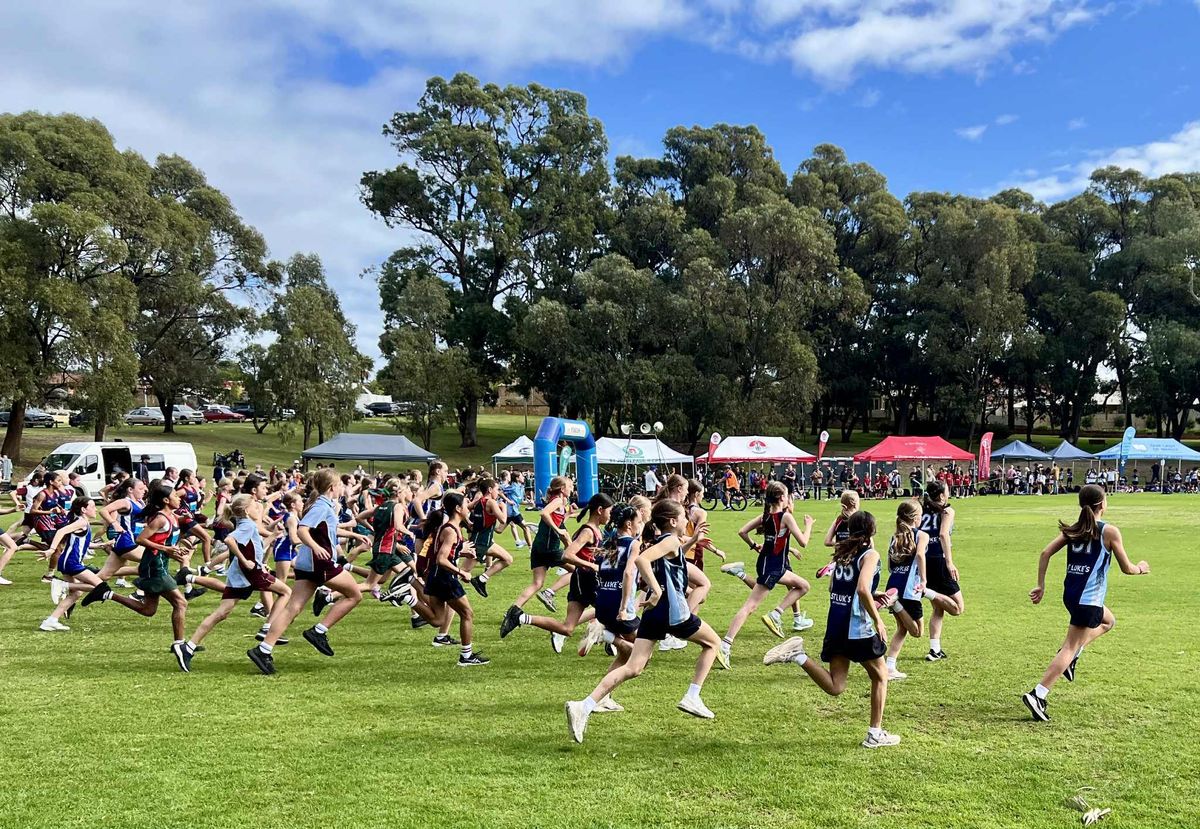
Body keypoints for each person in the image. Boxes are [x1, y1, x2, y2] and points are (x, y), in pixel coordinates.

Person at [564, 499, 725, 743]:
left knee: (634, 667)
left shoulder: (663, 541)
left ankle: (583, 706)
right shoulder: (668, 541)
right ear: (673, 521)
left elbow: (672, 559)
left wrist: (693, 540)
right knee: (713, 643)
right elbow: (641, 561)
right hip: (673, 612)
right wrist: (657, 591)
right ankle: (692, 696)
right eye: (683, 517)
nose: (687, 520)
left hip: (653, 613)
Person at [761, 510, 901, 749]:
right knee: (880, 676)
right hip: (857, 627)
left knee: (836, 686)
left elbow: (836, 588)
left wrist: (871, 593)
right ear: (871, 530)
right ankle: (875, 734)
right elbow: (861, 589)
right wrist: (877, 618)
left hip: (836, 622)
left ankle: (798, 655)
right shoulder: (870, 554)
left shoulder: (843, 553)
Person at [1022, 484, 1150, 722]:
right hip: (1088, 599)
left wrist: (1041, 585)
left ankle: (1072, 655)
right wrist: (1141, 568)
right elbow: (1127, 568)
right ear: (1102, 504)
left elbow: (1045, 553)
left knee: (1108, 621)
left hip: (1072, 595)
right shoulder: (1109, 531)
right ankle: (1038, 694)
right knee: (1069, 647)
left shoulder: (1074, 529)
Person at [247, 469, 362, 675]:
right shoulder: (321, 506)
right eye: (340, 485)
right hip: (319, 563)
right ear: (332, 487)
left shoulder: (323, 505)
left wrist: (354, 535)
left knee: (293, 607)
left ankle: (263, 649)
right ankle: (319, 631)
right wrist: (316, 547)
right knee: (355, 595)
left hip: (306, 564)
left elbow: (328, 529)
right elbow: (302, 530)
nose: (342, 488)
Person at [174, 494, 293, 672]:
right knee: (285, 592)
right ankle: (267, 627)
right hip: (251, 573)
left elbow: (256, 546)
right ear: (246, 511)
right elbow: (229, 540)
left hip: (241, 575)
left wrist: (273, 536)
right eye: (255, 506)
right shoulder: (247, 525)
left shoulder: (246, 524)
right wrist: (245, 561)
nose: (258, 509)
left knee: (221, 613)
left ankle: (188, 647)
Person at [81, 482, 191, 662]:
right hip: (154, 565)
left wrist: (176, 549)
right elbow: (141, 539)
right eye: (175, 496)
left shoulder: (172, 517)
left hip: (160, 563)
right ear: (165, 500)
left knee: (148, 610)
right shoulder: (160, 518)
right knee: (181, 603)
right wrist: (166, 549)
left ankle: (107, 594)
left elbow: (164, 540)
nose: (179, 499)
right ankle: (179, 644)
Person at [717, 482, 814, 667]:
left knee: (803, 586)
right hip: (774, 566)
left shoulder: (765, 516)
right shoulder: (785, 517)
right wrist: (808, 526)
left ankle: (776, 614)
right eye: (787, 494)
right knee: (750, 607)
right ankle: (725, 646)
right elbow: (804, 542)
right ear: (781, 497)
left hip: (766, 563)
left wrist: (754, 546)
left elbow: (742, 532)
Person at [500, 493, 610, 652]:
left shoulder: (596, 530)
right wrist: (591, 565)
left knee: (567, 628)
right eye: (609, 511)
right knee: (613, 613)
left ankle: (520, 617)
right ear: (600, 510)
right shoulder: (588, 531)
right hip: (586, 581)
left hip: (581, 580)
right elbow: (567, 555)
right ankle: (616, 643)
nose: (610, 515)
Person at [422, 492, 488, 666]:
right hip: (444, 577)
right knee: (467, 614)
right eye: (466, 505)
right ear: (458, 508)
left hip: (435, 576)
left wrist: (461, 552)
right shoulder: (451, 530)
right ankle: (466, 656)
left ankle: (408, 597)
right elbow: (441, 559)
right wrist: (461, 572)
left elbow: (443, 552)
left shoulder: (449, 527)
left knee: (438, 620)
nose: (468, 508)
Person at [509, 475, 573, 613]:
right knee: (578, 571)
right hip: (550, 548)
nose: (572, 489)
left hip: (538, 546)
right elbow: (544, 514)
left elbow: (556, 521)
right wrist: (558, 531)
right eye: (570, 486)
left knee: (537, 583)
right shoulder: (557, 501)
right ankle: (549, 593)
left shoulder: (556, 501)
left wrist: (567, 515)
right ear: (562, 489)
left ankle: (512, 610)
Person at [919, 481, 964, 661]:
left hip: (924, 560)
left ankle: (935, 650)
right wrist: (949, 562)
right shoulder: (947, 511)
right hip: (939, 559)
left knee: (938, 608)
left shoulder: (923, 510)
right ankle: (925, 592)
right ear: (941, 495)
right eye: (947, 490)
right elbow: (943, 534)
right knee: (958, 608)